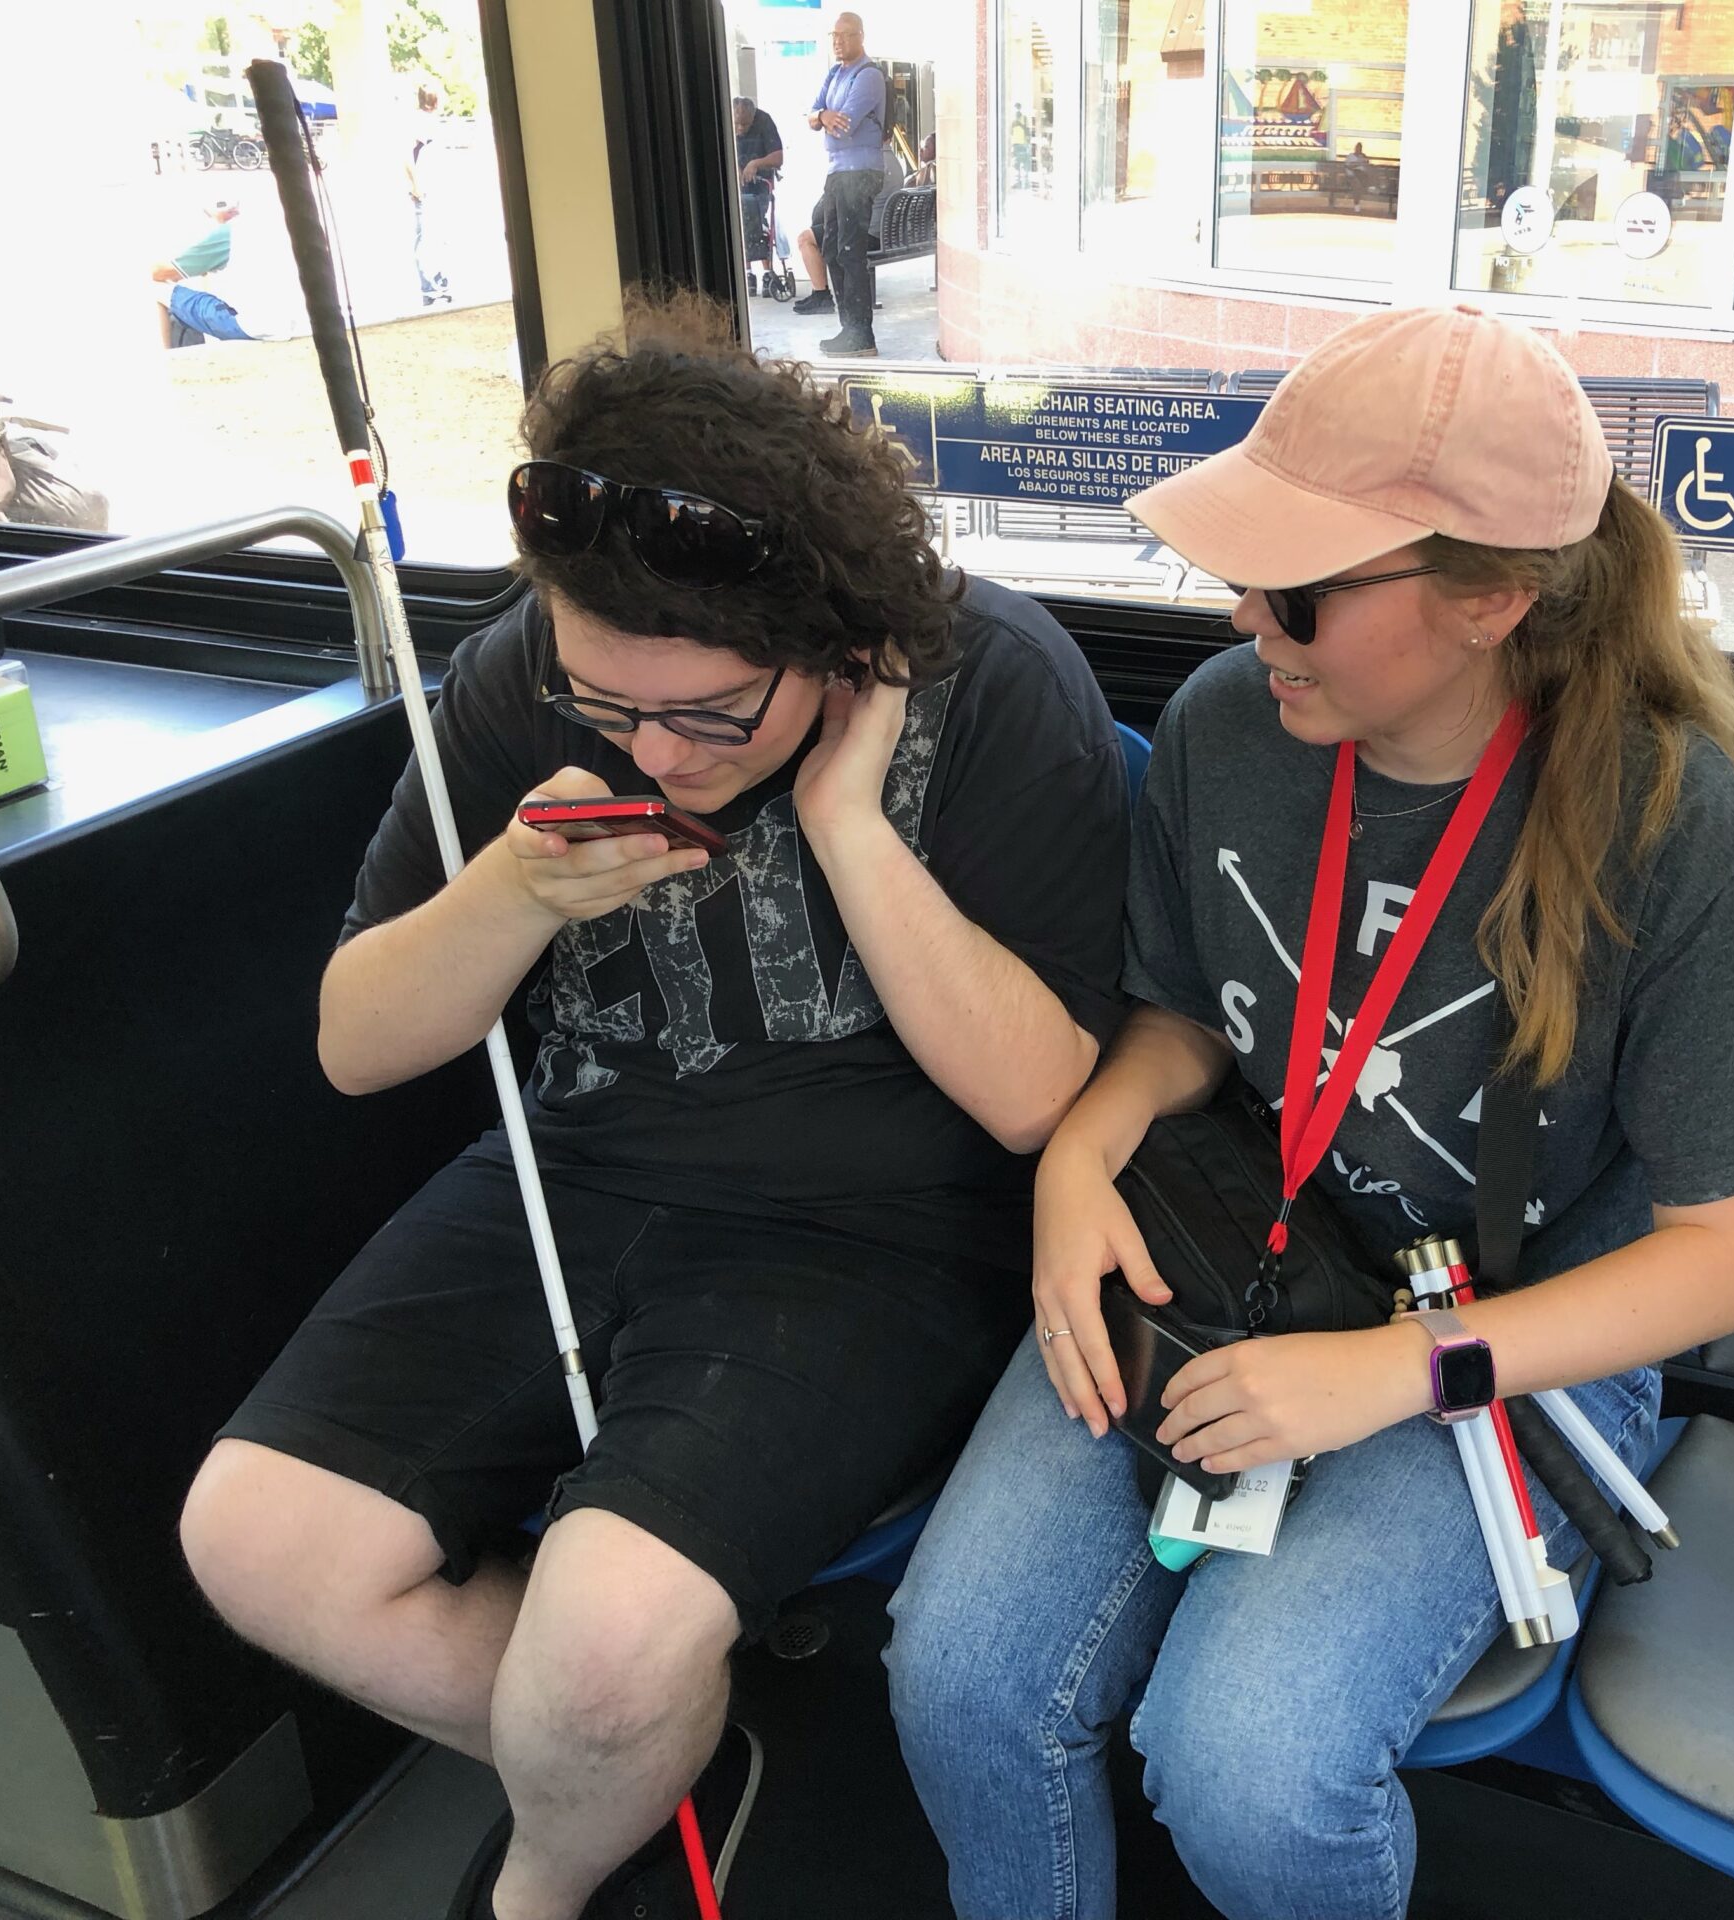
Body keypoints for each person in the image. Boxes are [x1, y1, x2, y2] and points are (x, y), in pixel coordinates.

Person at [178, 288, 1130, 1920]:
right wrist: (512, 893)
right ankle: (636, 1756)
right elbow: (356, 1043)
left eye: (707, 714)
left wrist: (848, 820)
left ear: (835, 641)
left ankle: (542, 1881)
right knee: (252, 1537)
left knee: (603, 1648)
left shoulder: (993, 680)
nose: (657, 753)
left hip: (876, 1236)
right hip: (573, 1178)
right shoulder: (512, 683)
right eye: (609, 702)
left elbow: (1044, 1101)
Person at [886, 303, 1734, 1920]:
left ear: (1491, 604)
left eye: (1298, 589)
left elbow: (1729, 1254)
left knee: (1246, 1773)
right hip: (1240, 1245)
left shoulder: (1663, 815)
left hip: (1502, 1336)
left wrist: (1391, 1372)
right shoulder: (1237, 729)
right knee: (959, 1684)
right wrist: (1086, 1147)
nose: (1248, 617)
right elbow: (1185, 1014)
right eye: (1247, 572)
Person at [792, 11, 887, 356]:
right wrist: (820, 116)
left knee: (849, 251)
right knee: (831, 247)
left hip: (859, 173)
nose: (838, 41)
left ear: (861, 36)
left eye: (845, 35)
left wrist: (827, 118)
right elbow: (812, 115)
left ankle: (861, 334)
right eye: (834, 35)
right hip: (836, 173)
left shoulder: (868, 75)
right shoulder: (835, 73)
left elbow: (843, 126)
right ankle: (848, 327)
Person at [149, 197, 278, 347]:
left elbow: (159, 273)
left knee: (155, 288)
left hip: (254, 327)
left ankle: (168, 360)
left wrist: (216, 226)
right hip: (298, 322)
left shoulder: (229, 233)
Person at [732, 94, 785, 288]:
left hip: (760, 184)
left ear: (753, 118)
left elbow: (778, 157)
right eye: (737, 124)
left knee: (754, 217)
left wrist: (755, 163)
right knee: (739, 219)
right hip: (736, 186)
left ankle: (766, 270)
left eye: (744, 125)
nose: (740, 129)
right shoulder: (726, 122)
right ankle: (747, 272)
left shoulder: (764, 121)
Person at [408, 80, 451, 307]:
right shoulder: (421, 123)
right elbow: (406, 154)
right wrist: (417, 185)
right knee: (427, 239)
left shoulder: (428, 122)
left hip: (434, 186)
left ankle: (440, 283)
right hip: (426, 189)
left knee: (438, 237)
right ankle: (431, 287)